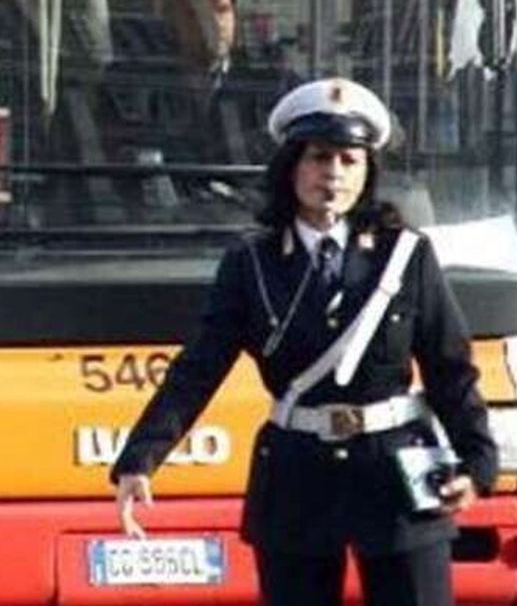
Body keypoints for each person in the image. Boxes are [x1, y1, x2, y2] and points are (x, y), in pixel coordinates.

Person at [110, 76, 497, 606]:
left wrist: (478, 463)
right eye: (318, 157)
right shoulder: (251, 262)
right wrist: (141, 458)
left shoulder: (406, 255)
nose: (333, 174)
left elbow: (449, 367)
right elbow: (199, 367)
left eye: (349, 160)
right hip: (297, 475)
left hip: (397, 474)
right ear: (291, 165)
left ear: (367, 172)